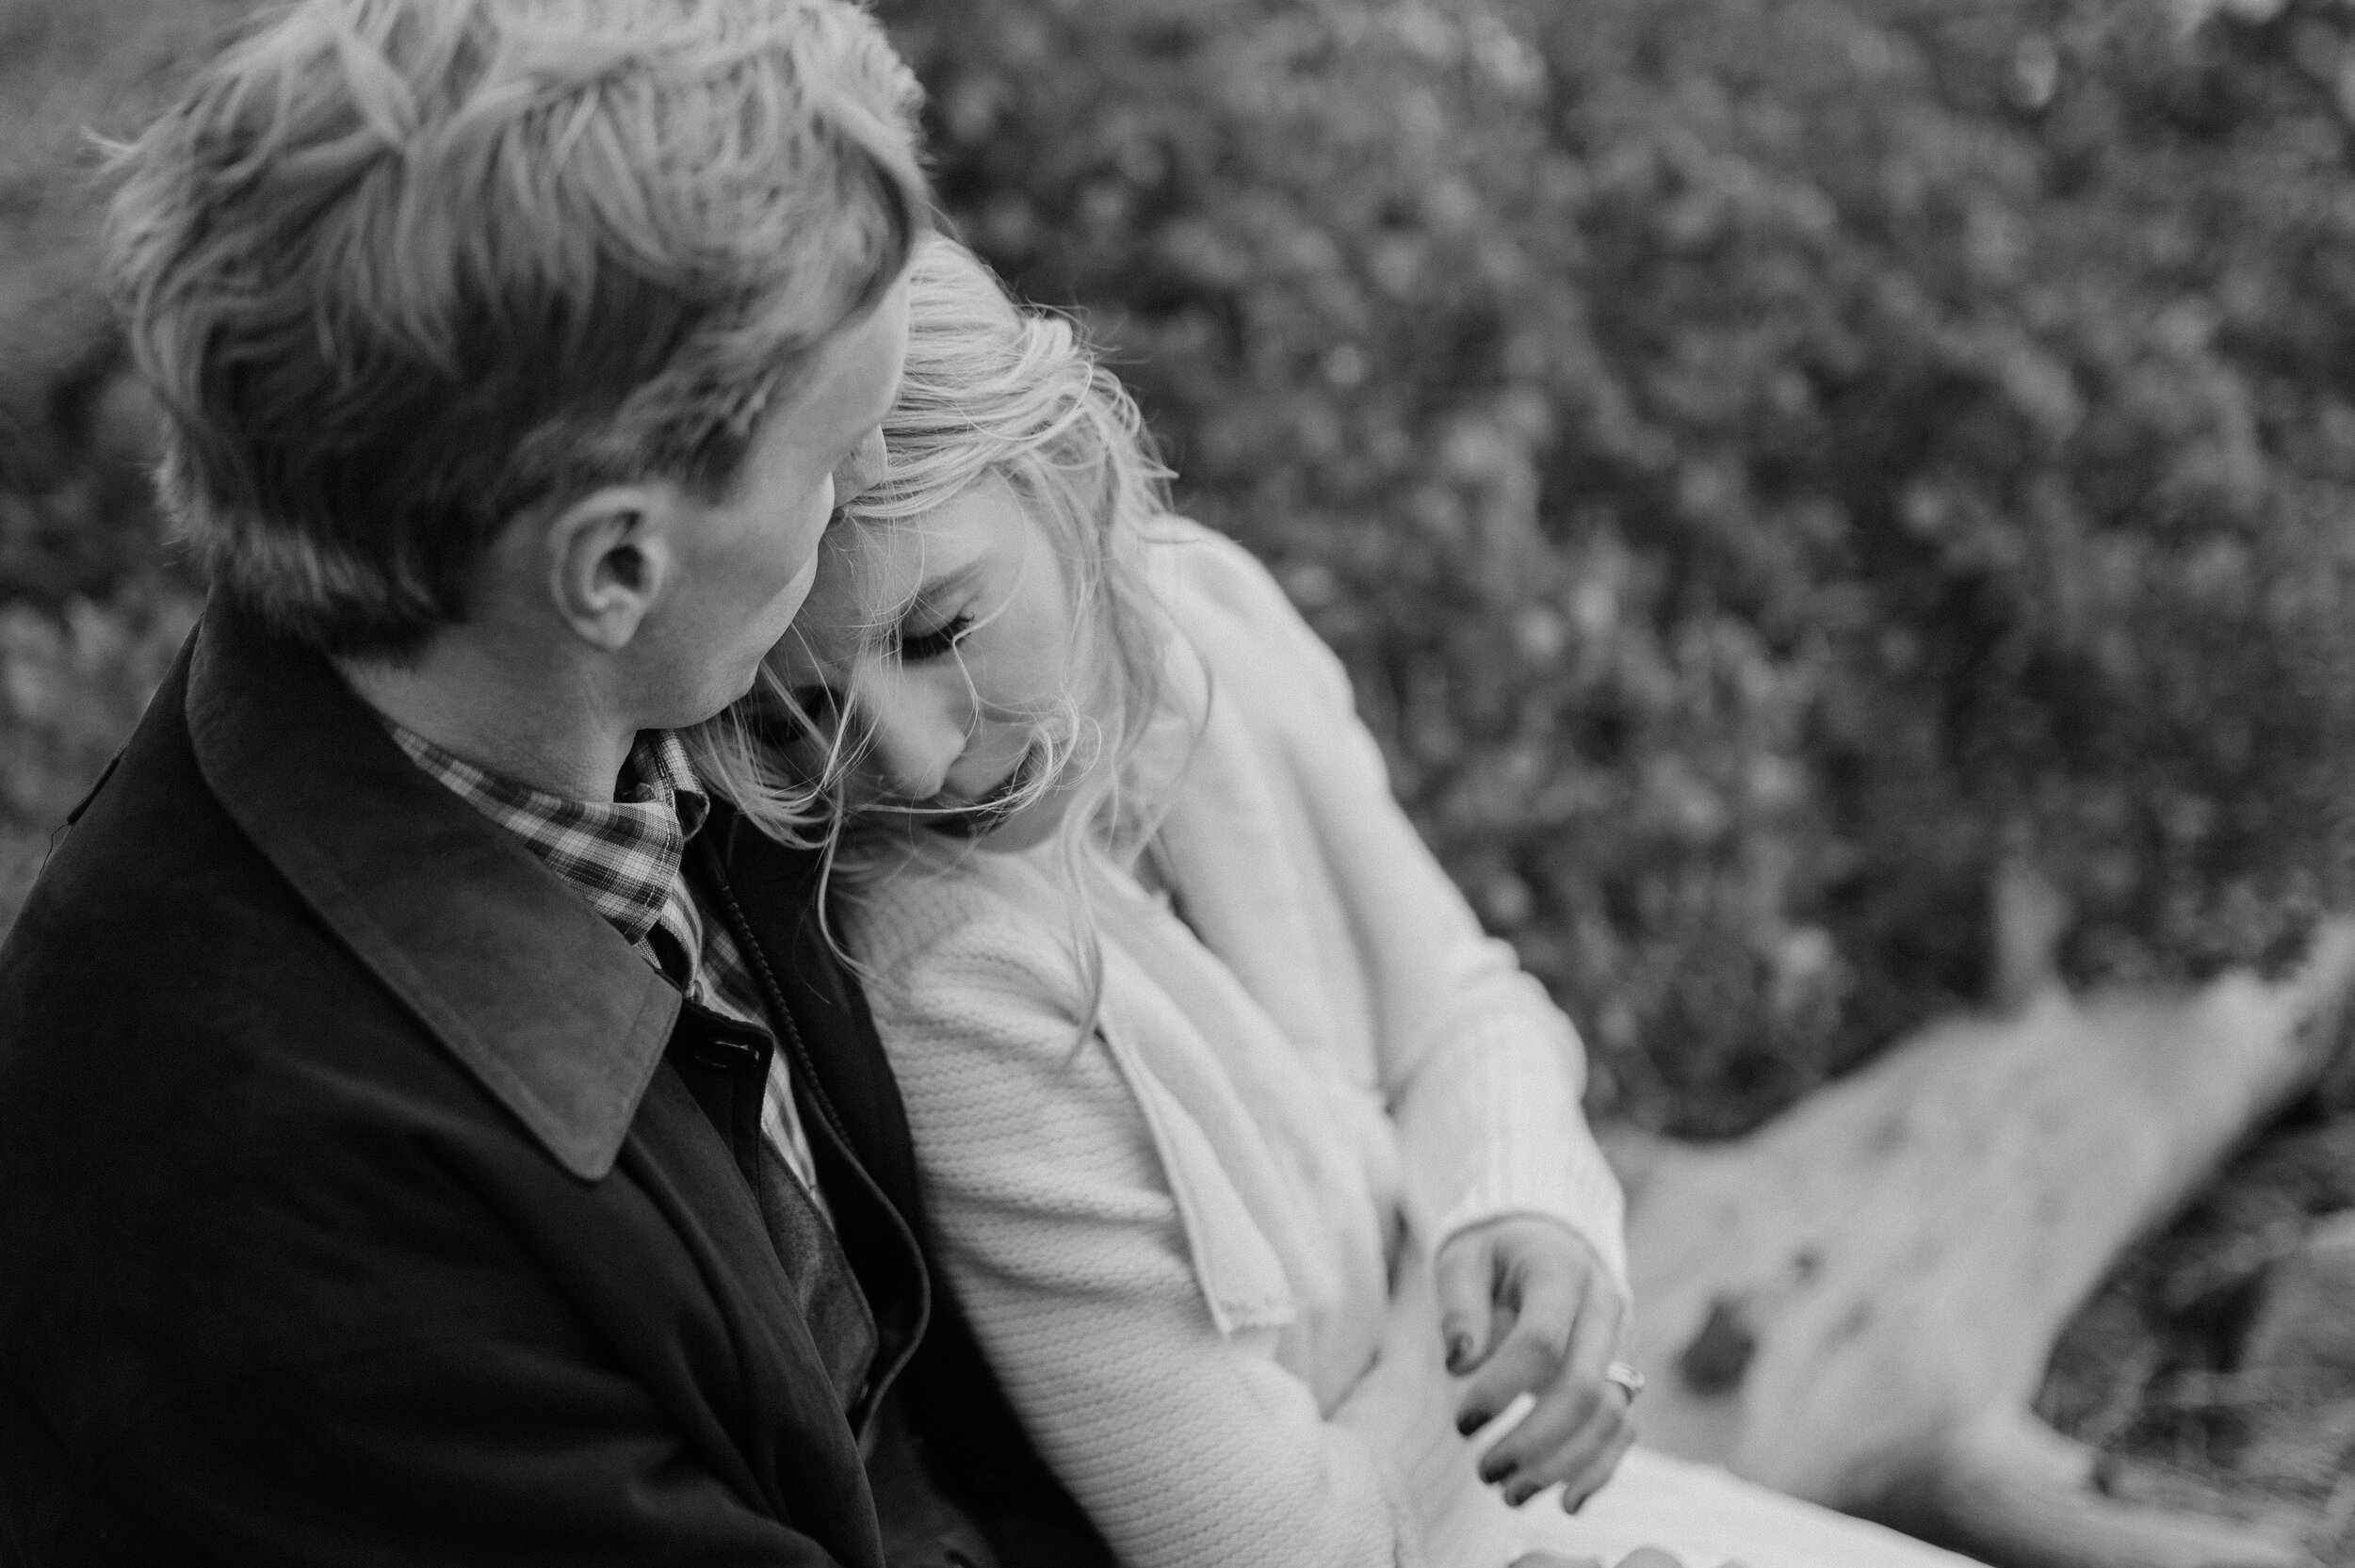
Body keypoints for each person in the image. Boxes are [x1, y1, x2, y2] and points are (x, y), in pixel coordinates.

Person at [706, 235, 1995, 1568]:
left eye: (939, 629)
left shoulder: (1211, 619)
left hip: (1555, 1517)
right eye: (804, 709)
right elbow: (1275, 1546)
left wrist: (1525, 1207)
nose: (907, 760)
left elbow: (1460, 999)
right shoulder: (942, 974)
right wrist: (1487, 1351)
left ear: (1057, 464)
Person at [0, 7, 1045, 1563]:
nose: (861, 501)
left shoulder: (552, 685)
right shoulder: (325, 1298)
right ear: (615, 561)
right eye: (838, 452)